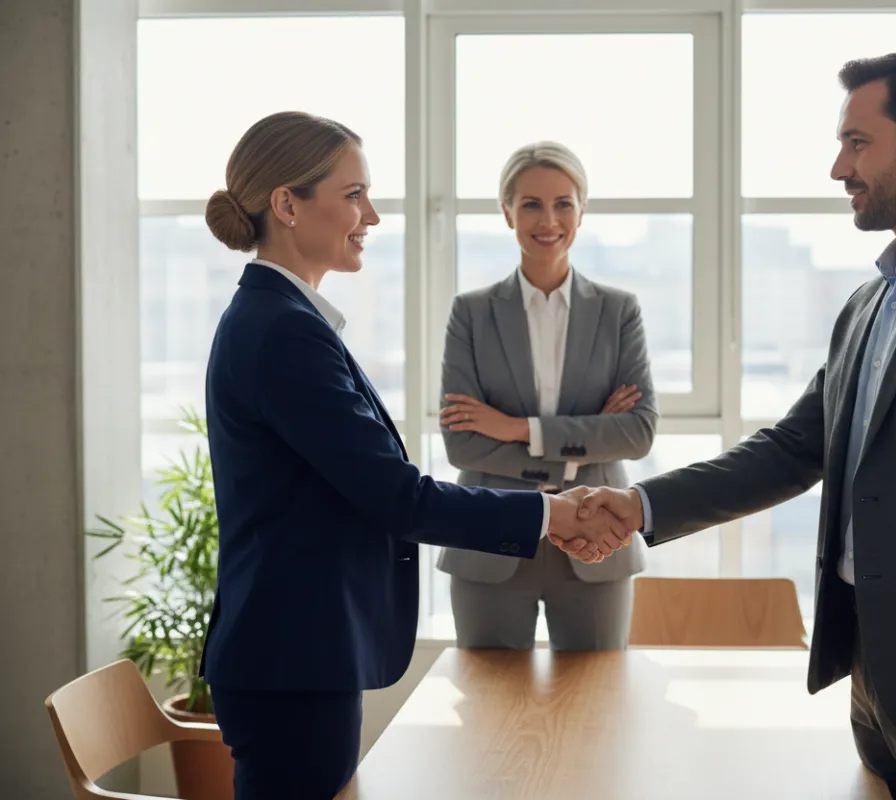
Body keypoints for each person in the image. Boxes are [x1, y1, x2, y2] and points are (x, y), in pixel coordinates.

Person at [579, 50, 896, 799]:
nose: (837, 168)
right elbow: (792, 450)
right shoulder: (869, 304)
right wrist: (639, 507)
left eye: (858, 142)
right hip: (875, 682)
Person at [197, 112, 632, 800]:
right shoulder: (283, 333)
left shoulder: (284, 320)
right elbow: (394, 495)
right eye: (353, 195)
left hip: (298, 652)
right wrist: (551, 514)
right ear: (286, 204)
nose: (370, 214)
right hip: (295, 655)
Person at [436, 141, 656, 651]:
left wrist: (516, 428)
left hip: (596, 537)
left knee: (596, 709)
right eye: (531, 203)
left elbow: (639, 431)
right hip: (490, 543)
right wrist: (588, 439)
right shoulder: (471, 313)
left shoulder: (619, 310)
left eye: (563, 202)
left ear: (583, 209)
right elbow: (462, 445)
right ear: (506, 210)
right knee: (490, 713)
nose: (548, 218)